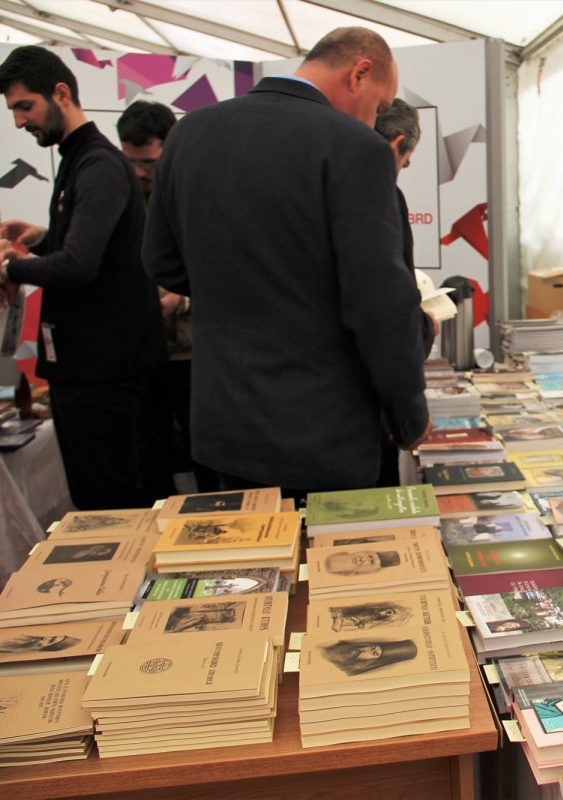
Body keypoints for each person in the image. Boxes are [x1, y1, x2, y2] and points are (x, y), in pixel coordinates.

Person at [143, 27, 431, 496]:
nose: (374, 119)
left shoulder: (189, 132)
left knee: (251, 545)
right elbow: (379, 305)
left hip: (225, 424)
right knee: (331, 546)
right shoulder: (356, 147)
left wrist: (242, 290)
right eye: (379, 107)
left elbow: (162, 262)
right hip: (323, 431)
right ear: (359, 73)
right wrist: (409, 416)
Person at [0, 46, 166, 511]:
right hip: (89, 368)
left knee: (111, 503)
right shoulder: (80, 159)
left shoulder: (98, 164)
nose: (19, 122)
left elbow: (79, 266)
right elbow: (92, 252)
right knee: (97, 498)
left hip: (102, 371)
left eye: (25, 106)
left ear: (61, 93)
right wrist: (42, 239)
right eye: (13, 110)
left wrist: (8, 267)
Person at [118, 100, 213, 494]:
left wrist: (183, 300)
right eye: (131, 162)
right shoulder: (122, 198)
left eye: (149, 163)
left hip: (194, 354)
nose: (140, 173)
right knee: (150, 456)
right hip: (143, 353)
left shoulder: (200, 197)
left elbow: (228, 278)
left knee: (206, 459)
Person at [373, 97, 435, 487]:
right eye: (406, 162)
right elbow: (384, 313)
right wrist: (410, 419)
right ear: (398, 144)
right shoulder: (378, 196)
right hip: (358, 416)